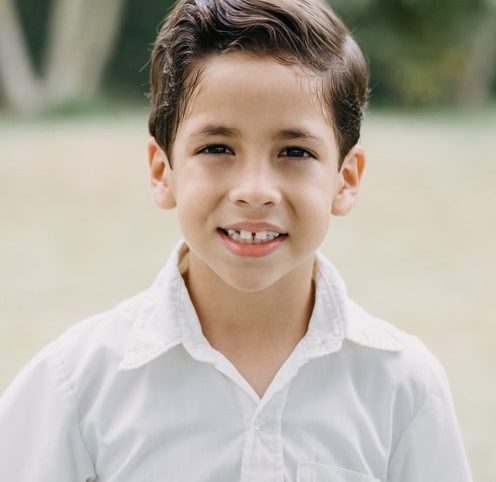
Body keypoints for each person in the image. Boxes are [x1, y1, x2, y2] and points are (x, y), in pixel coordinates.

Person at [0, 0, 473, 481]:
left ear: (345, 179)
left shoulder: (402, 386)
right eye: (217, 148)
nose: (254, 191)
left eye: (294, 152)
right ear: (163, 172)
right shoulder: (76, 386)